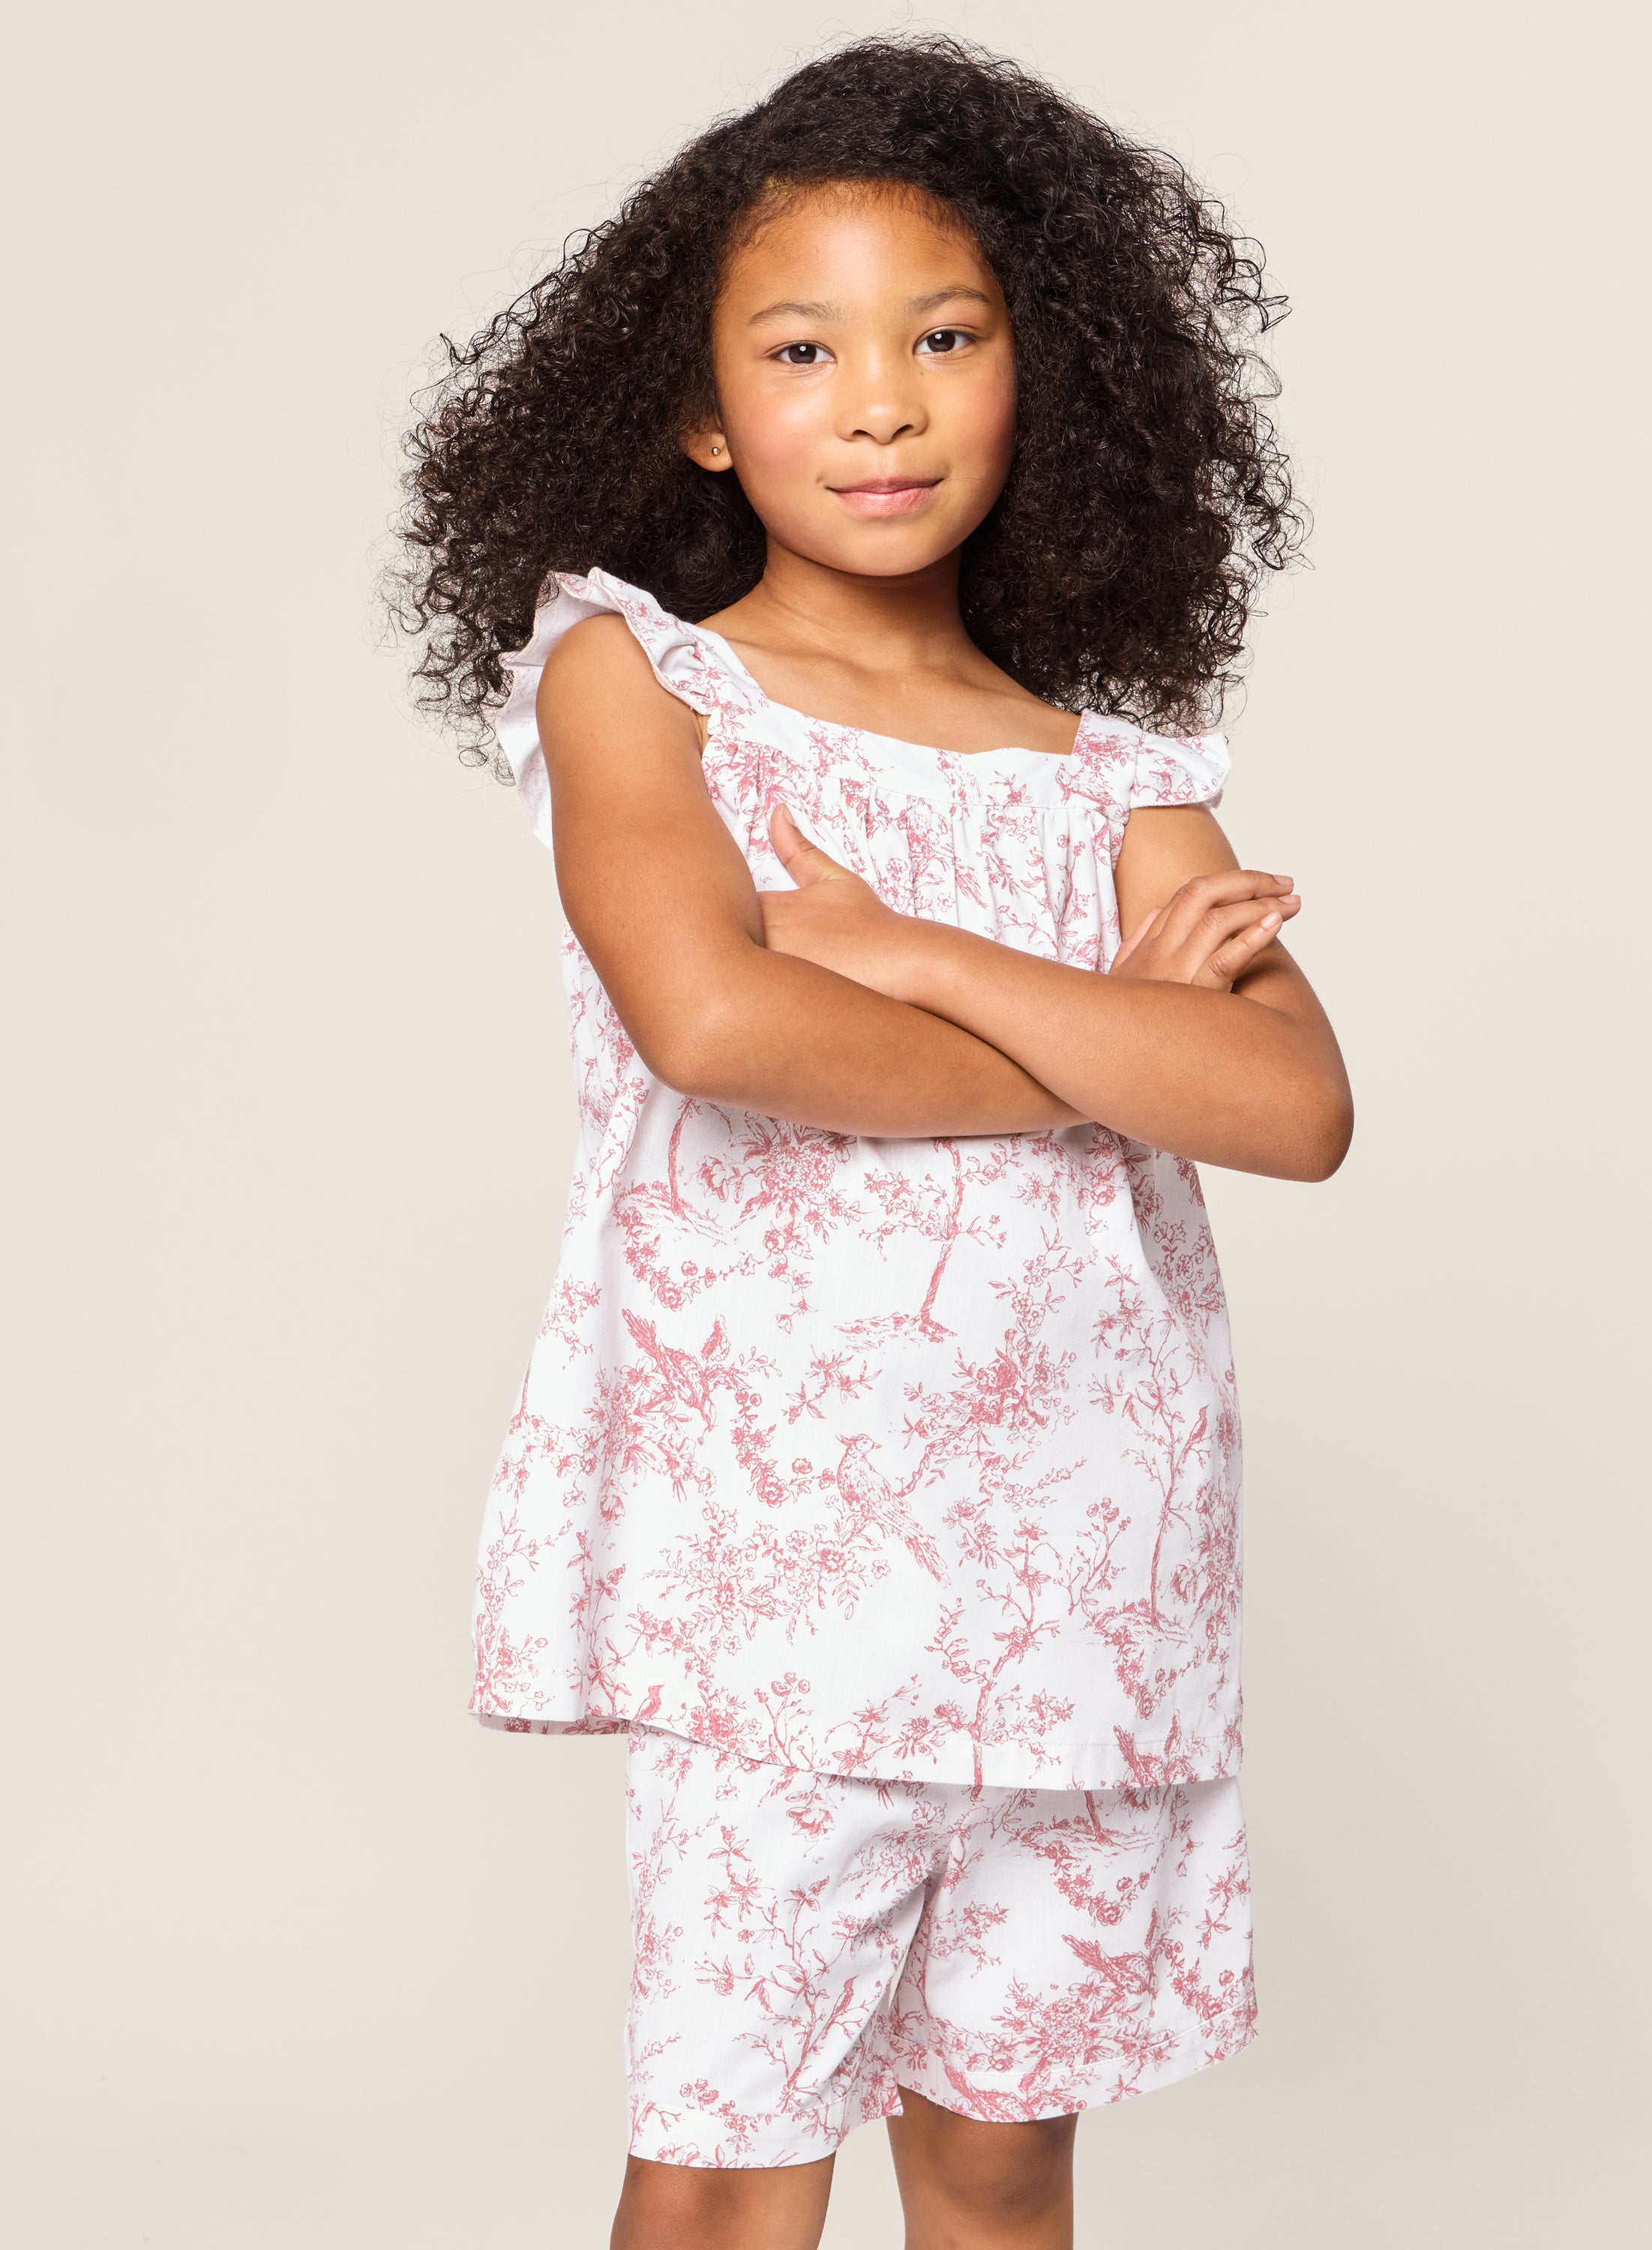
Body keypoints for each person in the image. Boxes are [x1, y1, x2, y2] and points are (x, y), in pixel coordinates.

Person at [394, 34, 1351, 2250]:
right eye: (804, 350)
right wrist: (1130, 1051)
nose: (886, 402)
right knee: (736, 2165)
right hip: (787, 1584)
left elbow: (1294, 1108)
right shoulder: (643, 679)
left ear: (1050, 377)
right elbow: (720, 1021)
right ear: (706, 412)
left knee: (1003, 2167)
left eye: (946, 338)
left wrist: (914, 955)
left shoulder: (1113, 765)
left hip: (1091, 1572)